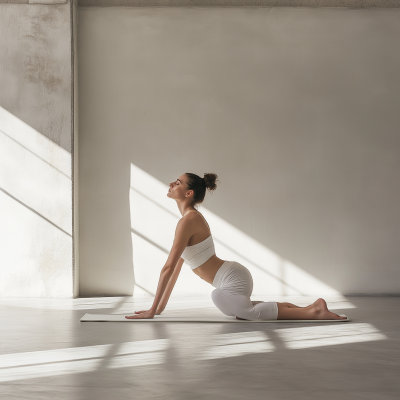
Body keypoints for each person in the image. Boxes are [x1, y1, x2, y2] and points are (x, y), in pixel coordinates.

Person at [126, 173, 346, 321]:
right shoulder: (189, 219)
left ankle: (313, 312)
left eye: (178, 183)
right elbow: (175, 270)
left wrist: (152, 311)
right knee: (235, 306)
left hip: (232, 278)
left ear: (188, 193)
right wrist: (158, 309)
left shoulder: (188, 221)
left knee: (239, 309)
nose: (172, 184)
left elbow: (168, 267)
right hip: (232, 276)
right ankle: (310, 307)